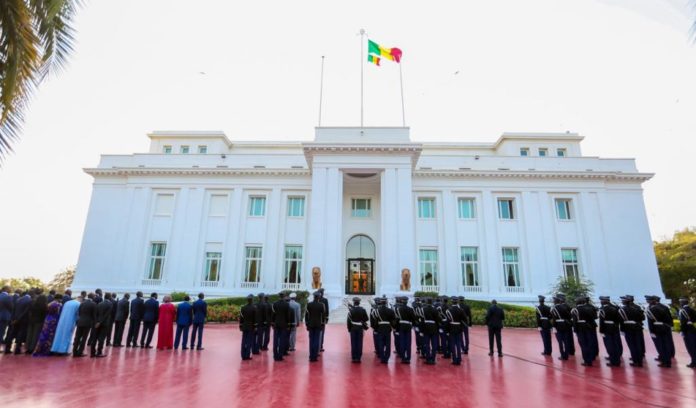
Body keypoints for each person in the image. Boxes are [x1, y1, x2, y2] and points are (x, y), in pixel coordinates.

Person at [644, 295, 674, 368]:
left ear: (653, 301)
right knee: (666, 345)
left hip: (657, 329)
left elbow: (650, 322)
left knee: (660, 346)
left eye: (648, 300)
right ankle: (668, 361)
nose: (647, 301)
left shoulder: (651, 309)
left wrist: (652, 331)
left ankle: (664, 361)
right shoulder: (665, 307)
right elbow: (670, 319)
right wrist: (668, 326)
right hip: (665, 328)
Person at [619, 295, 645, 367]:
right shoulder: (638, 307)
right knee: (638, 345)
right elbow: (643, 318)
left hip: (628, 328)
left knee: (632, 345)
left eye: (623, 300)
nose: (622, 301)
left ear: (627, 301)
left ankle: (635, 360)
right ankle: (640, 361)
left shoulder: (622, 309)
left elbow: (621, 321)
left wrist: (622, 330)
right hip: (637, 327)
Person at [571, 296, 596, 366]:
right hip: (589, 327)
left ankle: (586, 360)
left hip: (580, 328)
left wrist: (575, 330)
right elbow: (593, 318)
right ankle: (590, 359)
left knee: (583, 345)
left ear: (578, 302)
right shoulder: (589, 308)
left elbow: (575, 321)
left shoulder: (575, 310)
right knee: (589, 344)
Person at [4, 289, 31, 354]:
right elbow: (25, 312)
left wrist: (13, 319)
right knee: (20, 335)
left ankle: (7, 349)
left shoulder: (18, 299)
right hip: (22, 320)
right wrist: (18, 319)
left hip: (14, 319)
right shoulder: (29, 300)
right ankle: (17, 350)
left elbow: (13, 310)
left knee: (11, 334)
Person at [598, 296, 623, 367]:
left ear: (604, 301)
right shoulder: (615, 308)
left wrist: (601, 331)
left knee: (609, 345)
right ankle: (617, 360)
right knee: (616, 344)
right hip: (615, 327)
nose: (601, 302)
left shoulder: (603, 309)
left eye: (601, 301)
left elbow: (601, 322)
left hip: (606, 328)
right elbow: (619, 319)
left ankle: (613, 361)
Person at [73, 293, 96, 357]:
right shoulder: (93, 304)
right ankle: (80, 352)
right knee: (84, 338)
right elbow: (94, 315)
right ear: (93, 297)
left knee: (77, 337)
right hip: (87, 323)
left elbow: (79, 312)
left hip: (80, 321)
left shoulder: (82, 303)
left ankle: (74, 351)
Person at [90, 292, 113, 357]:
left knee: (95, 337)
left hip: (97, 323)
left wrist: (96, 322)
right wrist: (100, 322)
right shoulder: (110, 304)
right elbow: (106, 315)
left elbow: (96, 314)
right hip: (104, 323)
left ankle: (92, 352)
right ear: (109, 297)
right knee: (101, 338)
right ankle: (99, 352)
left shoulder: (100, 304)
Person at [271, 292, 292, 361]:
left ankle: (275, 355)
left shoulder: (275, 304)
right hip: (284, 324)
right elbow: (288, 316)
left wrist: (272, 323)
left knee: (275, 340)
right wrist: (288, 324)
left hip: (276, 324)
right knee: (282, 340)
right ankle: (280, 356)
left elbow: (273, 315)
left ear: (279, 296)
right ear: (284, 297)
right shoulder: (286, 304)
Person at [551, 294, 573, 360]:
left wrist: (554, 327)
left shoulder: (554, 309)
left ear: (555, 301)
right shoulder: (564, 307)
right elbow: (569, 316)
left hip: (558, 326)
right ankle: (566, 355)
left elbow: (554, 318)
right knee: (566, 341)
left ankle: (562, 355)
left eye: (554, 300)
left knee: (560, 342)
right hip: (565, 325)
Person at [346, 296, 368, 363]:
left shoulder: (351, 311)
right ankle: (358, 357)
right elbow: (366, 319)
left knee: (353, 342)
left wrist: (349, 329)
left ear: (354, 302)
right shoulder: (363, 310)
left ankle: (354, 357)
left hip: (353, 328)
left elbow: (348, 321)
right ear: (359, 302)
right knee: (359, 342)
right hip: (360, 328)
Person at [374, 297, 395, 364]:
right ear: (386, 302)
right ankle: (386, 358)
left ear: (380, 302)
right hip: (388, 328)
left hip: (380, 328)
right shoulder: (390, 311)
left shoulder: (377, 311)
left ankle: (382, 357)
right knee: (388, 344)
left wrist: (376, 329)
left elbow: (375, 321)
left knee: (381, 343)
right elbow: (393, 320)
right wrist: (393, 327)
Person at [305, 291, 325, 362]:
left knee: (311, 340)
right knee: (316, 340)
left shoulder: (309, 304)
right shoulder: (321, 305)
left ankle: (311, 356)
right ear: (319, 297)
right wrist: (322, 324)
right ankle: (315, 356)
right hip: (318, 325)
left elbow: (306, 316)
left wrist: (307, 324)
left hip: (310, 324)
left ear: (313, 297)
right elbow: (323, 316)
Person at [26, 289, 47, 354]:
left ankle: (27, 347)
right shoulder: (43, 306)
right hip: (39, 321)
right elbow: (44, 314)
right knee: (35, 335)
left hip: (31, 320)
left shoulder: (33, 303)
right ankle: (32, 348)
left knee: (29, 334)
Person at [395, 296, 415, 364]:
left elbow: (397, 320)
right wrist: (411, 325)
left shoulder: (398, 309)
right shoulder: (410, 309)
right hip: (408, 326)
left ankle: (403, 358)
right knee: (408, 343)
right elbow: (413, 319)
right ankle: (408, 358)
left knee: (402, 342)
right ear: (407, 301)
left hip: (401, 326)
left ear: (401, 301)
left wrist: (397, 329)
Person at [446, 296, 466, 365]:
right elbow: (465, 320)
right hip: (458, 328)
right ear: (457, 302)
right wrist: (462, 327)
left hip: (452, 328)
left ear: (452, 302)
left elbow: (448, 322)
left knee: (452, 344)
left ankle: (454, 359)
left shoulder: (448, 310)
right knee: (458, 344)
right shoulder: (461, 310)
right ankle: (459, 359)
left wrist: (447, 331)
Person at [677, 297, 696, 368]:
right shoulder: (691, 309)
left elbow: (683, 323)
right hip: (692, 329)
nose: (680, 303)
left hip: (687, 331)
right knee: (694, 346)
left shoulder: (683, 311)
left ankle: (694, 362)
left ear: (682, 303)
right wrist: (690, 321)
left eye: (680, 302)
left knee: (690, 347)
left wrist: (682, 331)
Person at [421, 297, 439, 365]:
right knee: (434, 344)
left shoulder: (423, 309)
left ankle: (428, 358)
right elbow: (437, 320)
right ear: (432, 302)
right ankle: (433, 358)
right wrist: (437, 328)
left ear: (426, 302)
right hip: (434, 328)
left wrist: (421, 330)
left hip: (426, 328)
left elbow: (422, 321)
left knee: (427, 344)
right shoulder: (435, 309)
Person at [240, 294, 257, 360]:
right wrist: (255, 327)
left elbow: (241, 318)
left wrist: (241, 326)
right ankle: (247, 355)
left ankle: (243, 355)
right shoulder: (254, 308)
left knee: (244, 341)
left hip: (244, 326)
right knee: (249, 341)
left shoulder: (243, 308)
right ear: (252, 300)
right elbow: (255, 319)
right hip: (251, 327)